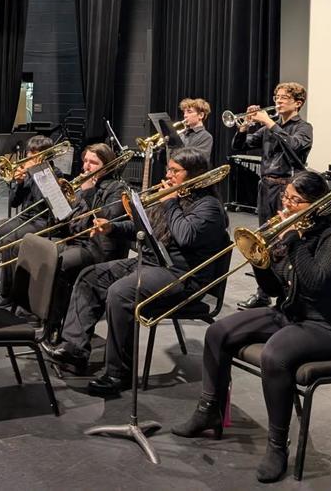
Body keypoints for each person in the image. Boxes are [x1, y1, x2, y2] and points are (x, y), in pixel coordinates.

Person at [172, 170, 331, 483]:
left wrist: (294, 240)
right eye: (286, 197)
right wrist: (262, 260)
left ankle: (276, 446)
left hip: (326, 327)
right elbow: (274, 291)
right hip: (290, 315)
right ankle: (209, 410)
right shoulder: (295, 231)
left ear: (316, 205)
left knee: (275, 357)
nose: (285, 205)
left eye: (295, 201)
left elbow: (315, 284)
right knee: (218, 332)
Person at [43, 148, 229, 394]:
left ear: (194, 173)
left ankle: (118, 373)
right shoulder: (173, 195)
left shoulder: (209, 207)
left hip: (183, 276)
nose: (168, 175)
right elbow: (142, 226)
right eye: (168, 169)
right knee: (90, 277)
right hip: (153, 263)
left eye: (175, 171)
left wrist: (170, 202)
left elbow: (185, 236)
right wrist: (112, 227)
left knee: (121, 293)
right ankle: (75, 349)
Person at [231, 82, 313, 309]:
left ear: (298, 103)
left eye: (284, 97)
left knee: (283, 242)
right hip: (265, 188)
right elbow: (240, 146)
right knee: (262, 241)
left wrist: (268, 122)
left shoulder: (304, 127)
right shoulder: (270, 127)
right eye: (276, 96)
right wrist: (244, 125)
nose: (278, 100)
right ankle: (263, 292)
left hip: (287, 189)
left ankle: (288, 292)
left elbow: (295, 146)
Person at [45, 143, 133, 337]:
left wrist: (88, 192)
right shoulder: (81, 185)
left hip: (98, 248)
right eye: (85, 160)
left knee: (60, 264)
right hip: (77, 242)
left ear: (107, 164)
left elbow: (103, 224)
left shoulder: (116, 189)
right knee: (44, 254)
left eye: (93, 162)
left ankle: (54, 326)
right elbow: (67, 221)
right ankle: (49, 320)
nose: (86, 166)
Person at [0, 134, 57, 306]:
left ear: (46, 155)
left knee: (8, 241)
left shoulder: (54, 174)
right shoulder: (28, 173)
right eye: (30, 152)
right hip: (26, 216)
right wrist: (20, 183)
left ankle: (6, 293)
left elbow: (43, 202)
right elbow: (15, 202)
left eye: (34, 153)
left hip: (43, 220)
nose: (29, 157)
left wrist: (36, 175)